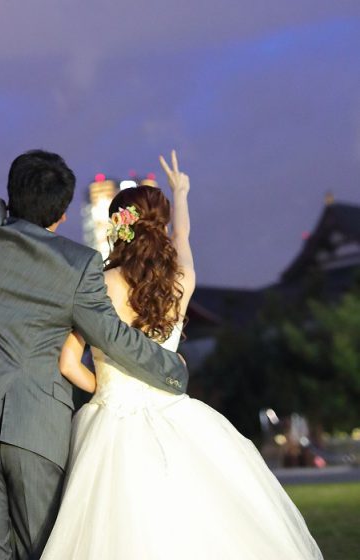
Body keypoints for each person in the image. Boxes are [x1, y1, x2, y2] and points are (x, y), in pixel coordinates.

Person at [0, 92, 188, 560]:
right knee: (46, 550)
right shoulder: (78, 265)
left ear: (12, 194)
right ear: (61, 215)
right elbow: (113, 337)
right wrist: (171, 369)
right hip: (38, 428)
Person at [41, 152, 323, 560]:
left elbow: (67, 364)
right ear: (161, 227)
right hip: (177, 413)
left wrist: (105, 390)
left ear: (117, 227)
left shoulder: (97, 285)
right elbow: (185, 239)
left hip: (111, 422)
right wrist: (181, 192)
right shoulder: (181, 280)